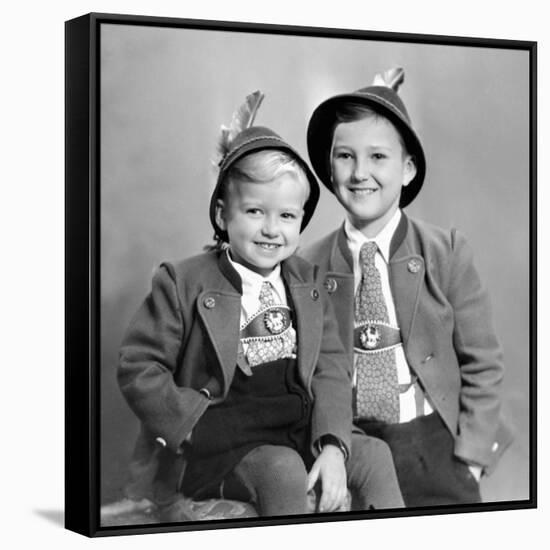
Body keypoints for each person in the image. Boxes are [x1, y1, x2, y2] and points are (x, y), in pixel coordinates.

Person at [118, 91, 404, 520]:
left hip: (297, 423)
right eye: (255, 211)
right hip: (225, 434)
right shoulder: (183, 281)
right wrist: (190, 424)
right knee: (282, 469)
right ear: (221, 215)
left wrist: (330, 444)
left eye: (287, 216)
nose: (272, 230)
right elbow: (138, 365)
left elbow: (329, 366)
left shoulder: (306, 282)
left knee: (374, 455)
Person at [301, 68, 514, 507]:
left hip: (432, 444)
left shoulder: (445, 251)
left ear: (407, 168)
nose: (360, 173)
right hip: (354, 444)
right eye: (345, 156)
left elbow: (484, 364)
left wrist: (469, 459)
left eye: (378, 157)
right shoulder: (308, 266)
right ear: (329, 165)